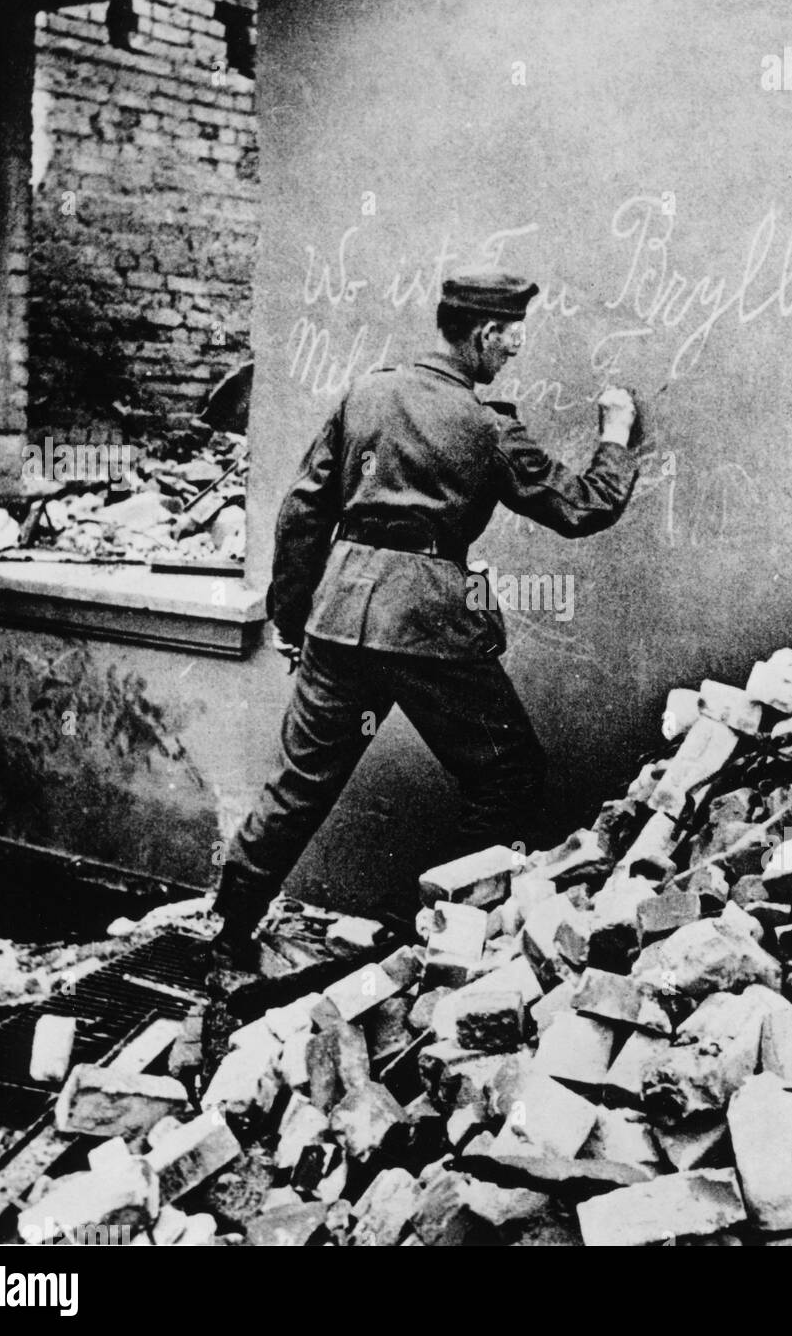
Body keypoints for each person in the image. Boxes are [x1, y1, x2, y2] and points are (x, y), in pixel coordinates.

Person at [211, 265, 642, 969]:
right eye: (510, 338)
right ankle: (420, 924)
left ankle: (228, 933)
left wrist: (294, 619)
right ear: (482, 333)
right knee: (509, 773)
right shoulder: (487, 426)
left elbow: (302, 514)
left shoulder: (365, 393)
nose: (515, 350)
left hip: (339, 617)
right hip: (429, 627)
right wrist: (617, 436)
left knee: (300, 785)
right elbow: (581, 507)